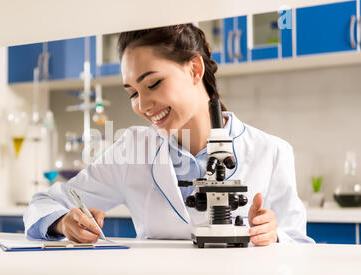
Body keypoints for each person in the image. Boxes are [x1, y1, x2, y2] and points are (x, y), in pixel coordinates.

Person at [24, 24, 315, 246]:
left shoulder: (272, 151)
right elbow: (43, 203)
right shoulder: (133, 149)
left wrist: (274, 236)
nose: (142, 105)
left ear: (194, 70)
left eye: (153, 83)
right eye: (133, 93)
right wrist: (63, 222)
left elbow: (301, 248)